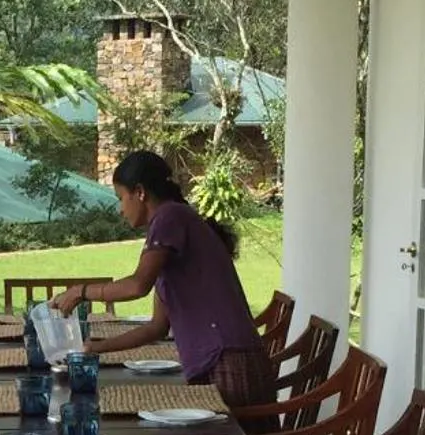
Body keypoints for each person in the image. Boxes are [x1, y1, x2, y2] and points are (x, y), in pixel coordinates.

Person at [52, 150, 276, 412]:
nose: (120, 210)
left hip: (228, 361)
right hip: (226, 358)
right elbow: (157, 328)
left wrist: (82, 291)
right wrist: (95, 348)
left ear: (140, 192)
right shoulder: (174, 224)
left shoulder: (169, 217)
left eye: (121, 198)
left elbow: (137, 285)